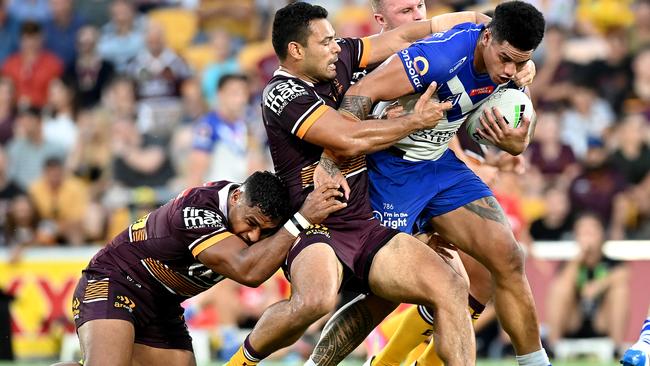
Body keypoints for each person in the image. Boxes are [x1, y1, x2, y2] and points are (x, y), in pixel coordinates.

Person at [224, 3, 492, 366]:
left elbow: (402, 36)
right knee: (316, 300)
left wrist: (476, 22)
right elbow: (345, 139)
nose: (337, 46)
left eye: (335, 39)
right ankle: (238, 363)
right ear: (296, 51)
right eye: (326, 41)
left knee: (450, 286)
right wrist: (413, 121)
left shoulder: (344, 56)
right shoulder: (281, 92)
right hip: (314, 220)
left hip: (365, 218)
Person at [312, 1, 550, 365]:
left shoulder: (512, 65)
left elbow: (520, 137)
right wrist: (331, 160)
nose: (511, 70)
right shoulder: (435, 56)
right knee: (384, 298)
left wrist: (515, 142)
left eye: (521, 61)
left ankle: (536, 362)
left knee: (507, 258)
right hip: (389, 171)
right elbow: (362, 94)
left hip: (439, 166)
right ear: (486, 39)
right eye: (506, 59)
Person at [53, 171, 345, 366]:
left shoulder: (247, 214)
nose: (253, 236)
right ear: (236, 197)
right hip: (115, 281)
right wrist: (302, 220)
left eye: (263, 231)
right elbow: (248, 271)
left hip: (162, 304)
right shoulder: (197, 209)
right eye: (252, 223)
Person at [546, 213, 629, 357]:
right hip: (574, 320)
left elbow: (623, 274)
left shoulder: (612, 263)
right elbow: (562, 283)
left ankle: (616, 349)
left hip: (601, 321)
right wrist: (580, 257)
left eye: (592, 231)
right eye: (583, 231)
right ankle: (551, 348)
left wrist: (599, 285)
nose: (587, 236)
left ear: (602, 234)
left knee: (620, 290)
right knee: (560, 288)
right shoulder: (570, 264)